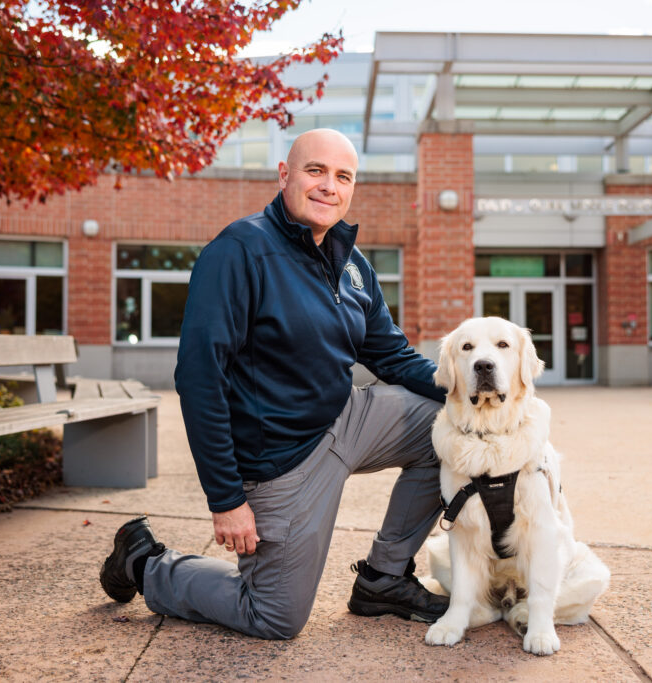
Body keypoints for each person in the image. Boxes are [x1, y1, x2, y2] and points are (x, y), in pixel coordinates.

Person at [98, 128, 449, 639]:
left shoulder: (351, 265)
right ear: (285, 175)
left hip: (343, 419)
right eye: (316, 171)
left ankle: (384, 578)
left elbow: (391, 355)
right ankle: (146, 563)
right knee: (274, 616)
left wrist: (479, 396)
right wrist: (225, 500)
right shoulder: (240, 250)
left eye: (342, 176)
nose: (329, 186)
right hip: (281, 460)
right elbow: (199, 379)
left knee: (457, 427)